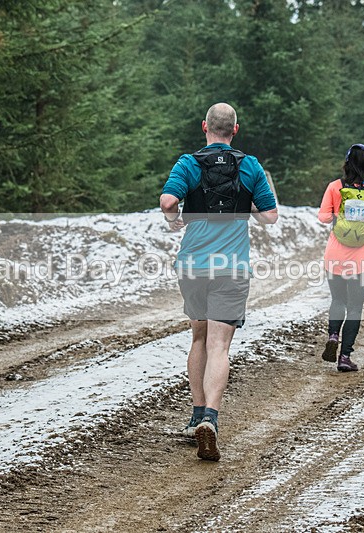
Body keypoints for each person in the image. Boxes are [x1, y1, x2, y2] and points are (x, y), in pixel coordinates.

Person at [160, 103, 278, 461]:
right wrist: (249, 208)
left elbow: (167, 200)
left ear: (204, 127)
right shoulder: (251, 165)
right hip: (232, 267)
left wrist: (174, 219)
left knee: (198, 336)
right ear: (235, 130)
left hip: (193, 264)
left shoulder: (188, 163)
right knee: (220, 345)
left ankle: (195, 414)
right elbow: (270, 217)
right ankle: (210, 417)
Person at [317, 144, 364, 372]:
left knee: (338, 300)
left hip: (335, 256)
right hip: (363, 259)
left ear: (346, 163)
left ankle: (333, 335)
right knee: (355, 308)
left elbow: (324, 218)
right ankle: (345, 356)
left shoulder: (335, 187)